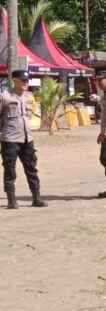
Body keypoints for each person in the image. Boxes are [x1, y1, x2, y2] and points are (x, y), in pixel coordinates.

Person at [0, 70, 47, 208]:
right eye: (23, 80)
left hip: (27, 138)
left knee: (31, 168)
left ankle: (36, 197)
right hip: (10, 138)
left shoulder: (29, 96)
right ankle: (11, 200)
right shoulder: (5, 97)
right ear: (14, 81)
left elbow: (29, 116)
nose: (26, 83)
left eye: (27, 80)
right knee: (10, 170)